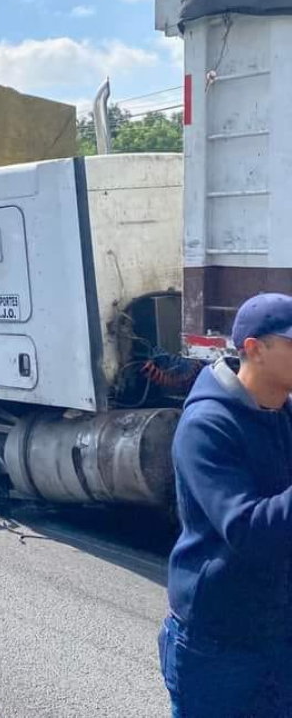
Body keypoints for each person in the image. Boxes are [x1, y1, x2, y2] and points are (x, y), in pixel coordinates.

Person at [161, 292, 292, 715]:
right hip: (215, 646)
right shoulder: (206, 427)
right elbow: (248, 529)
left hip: (276, 632)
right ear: (254, 349)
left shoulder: (282, 415)